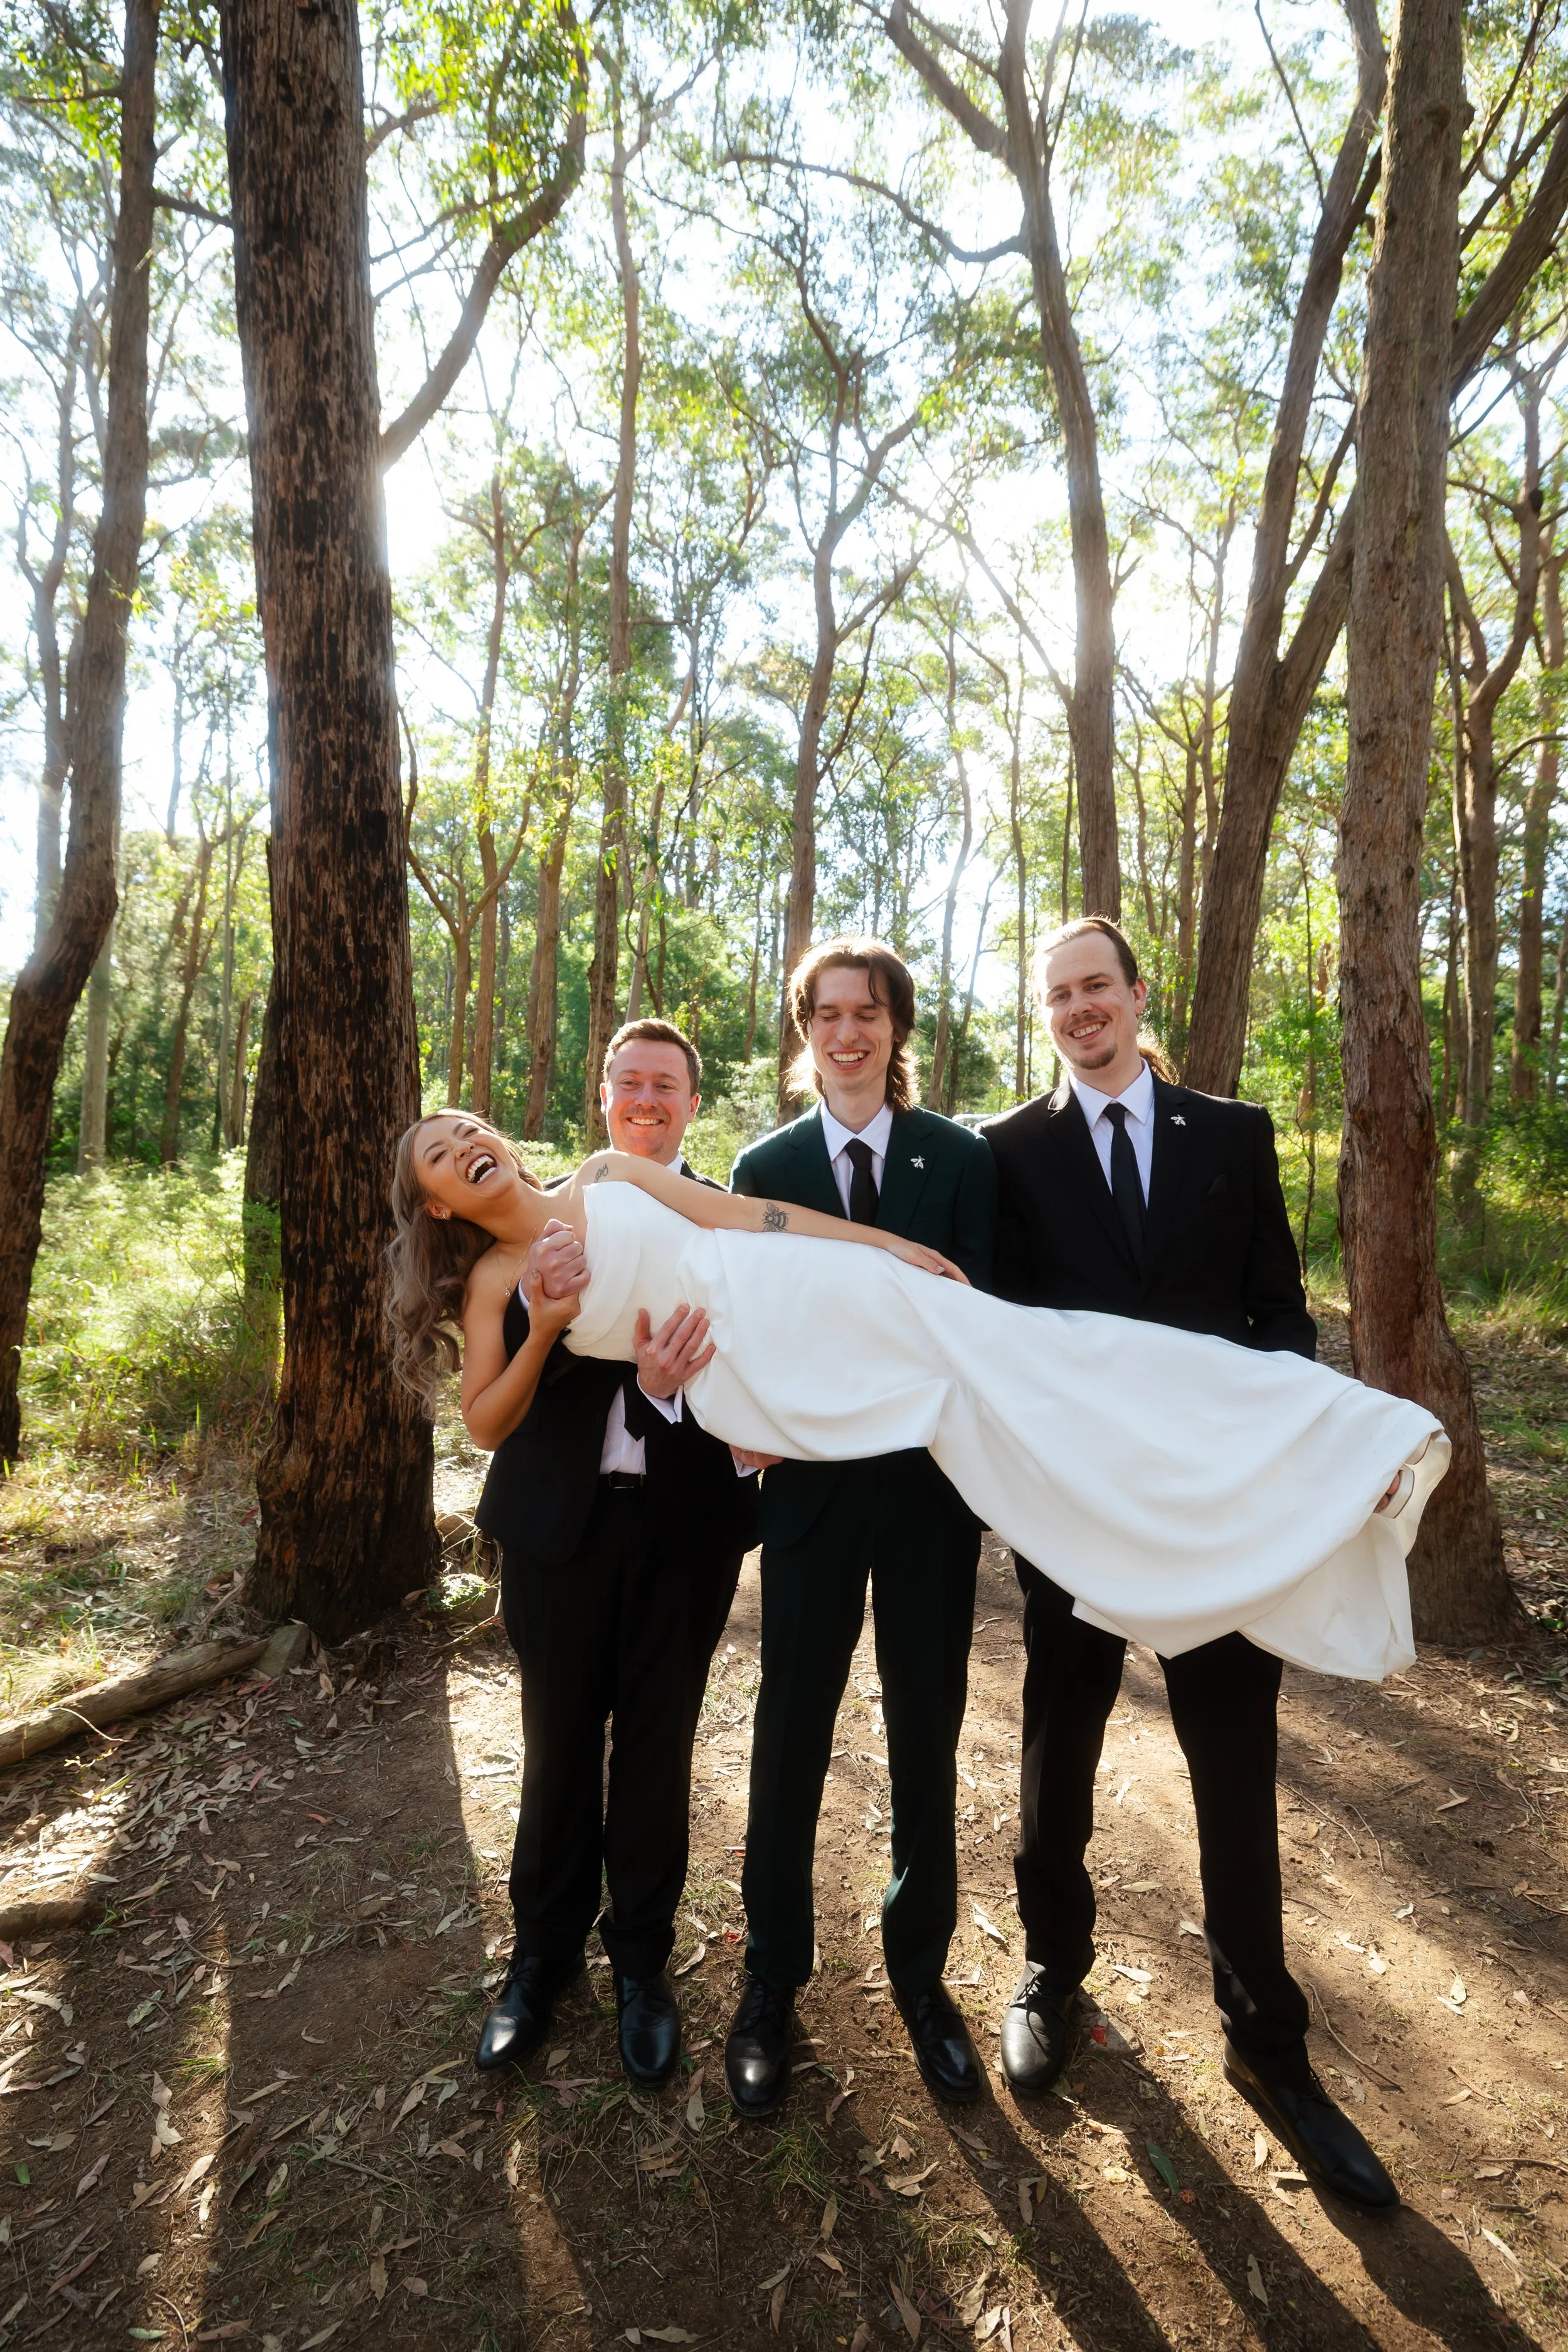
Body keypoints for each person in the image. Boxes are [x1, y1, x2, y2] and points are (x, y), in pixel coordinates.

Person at [386, 999, 1445, 2136]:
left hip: (827, 1318)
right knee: (630, 1750)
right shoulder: (502, 1278)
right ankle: (640, 1977)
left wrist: (886, 1246)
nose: (461, 1144)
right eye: (438, 1155)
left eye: (460, 1125)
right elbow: (497, 1415)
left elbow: (751, 1219)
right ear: (440, 1200)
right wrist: (557, 1324)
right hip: (759, 1404)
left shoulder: (616, 1172)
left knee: (1048, 1365)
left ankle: (1313, 1445)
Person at [982, 916, 1404, 2210]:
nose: (1077, 1009)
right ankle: (1052, 1970)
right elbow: (997, 1334)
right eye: (1055, 995)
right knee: (1059, 1743)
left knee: (1232, 1764)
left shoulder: (1230, 1134)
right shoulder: (1007, 1152)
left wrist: (1306, 1446)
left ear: (1135, 991)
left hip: (1216, 1514)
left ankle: (1263, 2040)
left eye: (1093, 986)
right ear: (1043, 1014)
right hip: (1075, 1514)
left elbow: (1279, 1311)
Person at [388, 1019, 756, 2089]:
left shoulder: (714, 1223)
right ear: (602, 1098)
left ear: (692, 1102)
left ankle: (642, 1965)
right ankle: (539, 1960)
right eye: (628, 1082)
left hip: (687, 1531)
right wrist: (550, 1320)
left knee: (656, 1750)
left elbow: (769, 1357)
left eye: (667, 1084)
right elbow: (487, 1419)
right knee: (556, 1750)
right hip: (558, 1534)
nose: (647, 1098)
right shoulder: (530, 1238)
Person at [724, 938, 1000, 2114]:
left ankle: (921, 1974)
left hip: (932, 1497)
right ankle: (771, 1974)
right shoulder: (762, 1163)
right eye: (829, 1014)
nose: (850, 1033)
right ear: (805, 1031)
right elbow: (743, 1318)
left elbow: (982, 1324)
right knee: (790, 1729)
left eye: (869, 1013)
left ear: (898, 1029)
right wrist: (745, 1416)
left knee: (926, 1730)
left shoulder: (961, 1158)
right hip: (812, 1498)